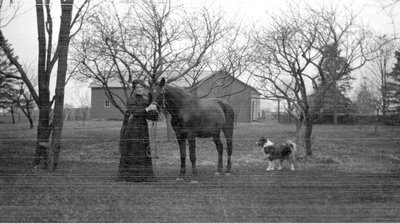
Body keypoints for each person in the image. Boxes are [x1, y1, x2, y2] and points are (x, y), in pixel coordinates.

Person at [118, 79, 159, 182]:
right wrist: (147, 109)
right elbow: (135, 112)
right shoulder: (131, 100)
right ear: (134, 89)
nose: (140, 89)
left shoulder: (146, 101)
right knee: (134, 150)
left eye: (141, 87)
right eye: (138, 88)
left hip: (143, 128)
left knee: (143, 150)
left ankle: (143, 175)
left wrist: (155, 112)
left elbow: (149, 115)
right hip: (133, 128)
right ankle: (131, 176)